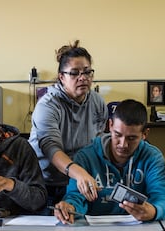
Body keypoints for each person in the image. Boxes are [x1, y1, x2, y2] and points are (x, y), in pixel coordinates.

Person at [53, 99, 165, 224]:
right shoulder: (86, 156)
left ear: (144, 134)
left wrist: (153, 211)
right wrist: (70, 207)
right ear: (110, 125)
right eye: (117, 135)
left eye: (132, 138)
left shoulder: (152, 157)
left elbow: (162, 198)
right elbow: (75, 196)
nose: (123, 144)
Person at [28, 40, 108, 212]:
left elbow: (99, 142)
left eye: (87, 72)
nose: (83, 78)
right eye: (74, 73)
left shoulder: (97, 102)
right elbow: (50, 147)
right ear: (62, 77)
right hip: (47, 183)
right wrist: (78, 172)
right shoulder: (47, 105)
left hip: (80, 182)